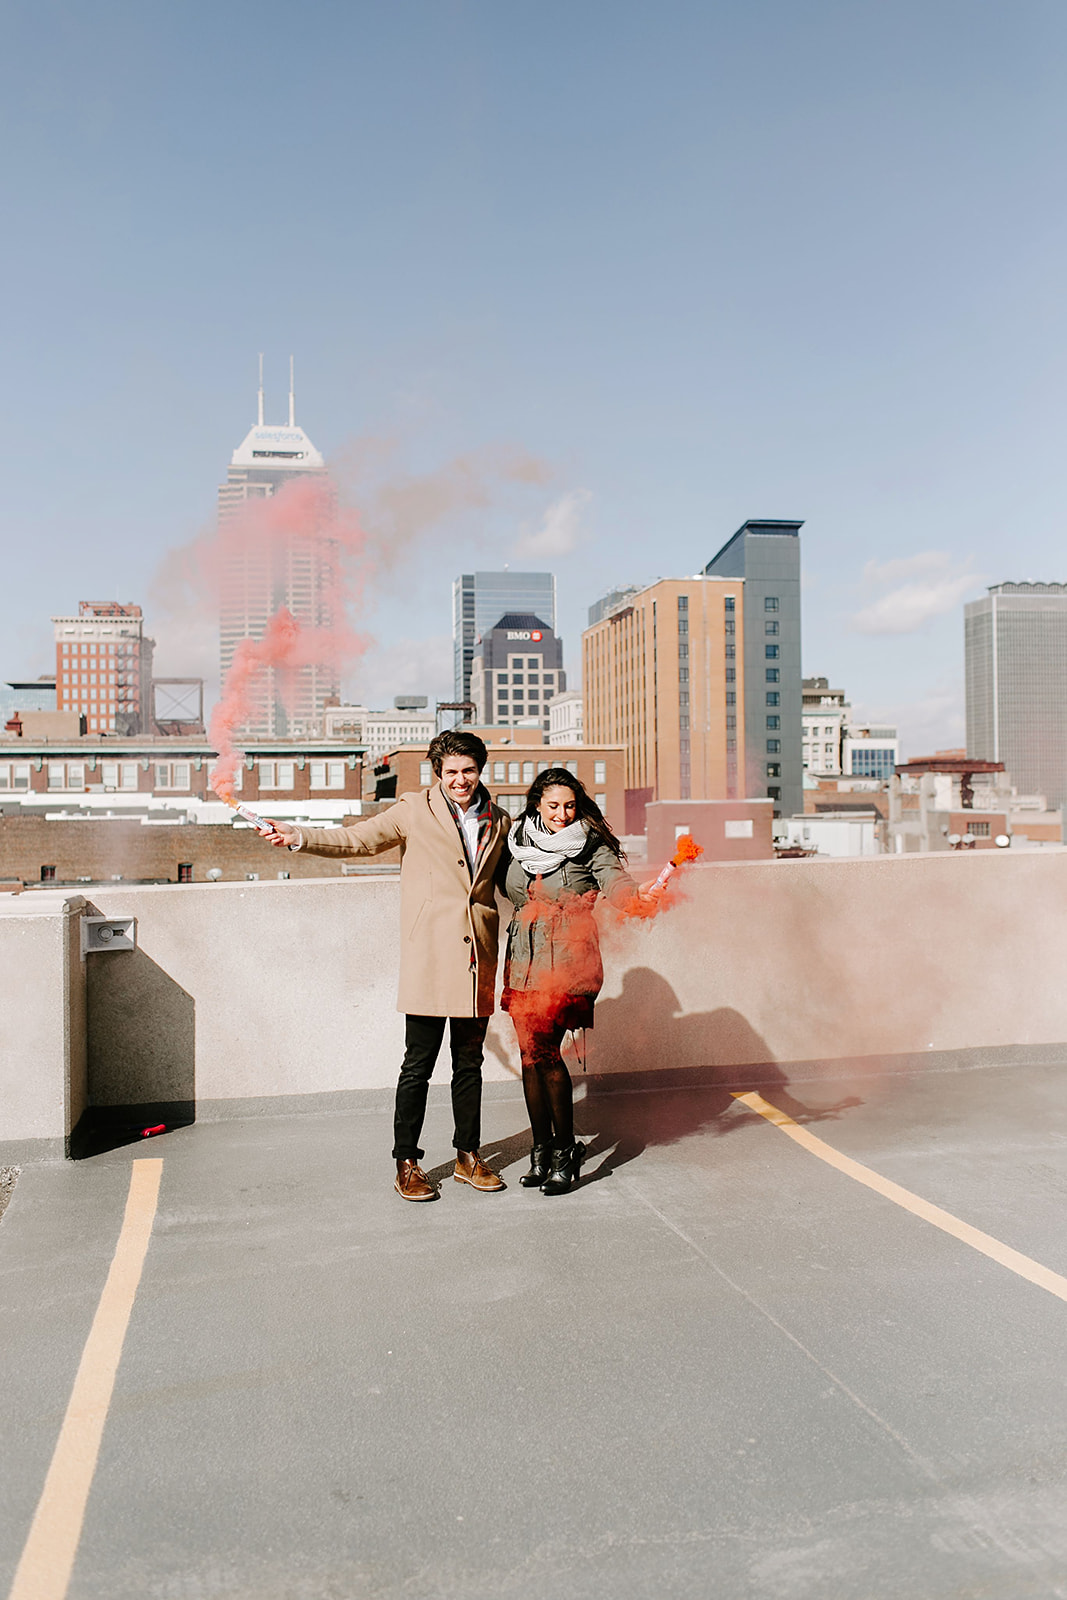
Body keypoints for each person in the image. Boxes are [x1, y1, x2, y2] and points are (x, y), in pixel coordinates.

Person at [260, 730, 512, 1203]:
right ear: (438, 773)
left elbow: (512, 880)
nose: (460, 780)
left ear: (481, 770)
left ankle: (467, 1156)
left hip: (477, 959)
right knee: (417, 1064)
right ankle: (407, 1162)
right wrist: (297, 836)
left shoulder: (498, 819)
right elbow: (357, 841)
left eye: (469, 770)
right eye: (452, 772)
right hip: (429, 959)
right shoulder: (415, 810)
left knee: (469, 1065)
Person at [501, 768, 646, 1195]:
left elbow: (616, 882)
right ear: (536, 805)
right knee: (531, 1056)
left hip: (569, 963)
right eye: (553, 805)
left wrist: (637, 900)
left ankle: (565, 1152)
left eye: (569, 805)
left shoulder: (589, 842)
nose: (563, 814)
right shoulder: (517, 841)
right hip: (523, 963)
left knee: (544, 1051)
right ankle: (542, 1150)